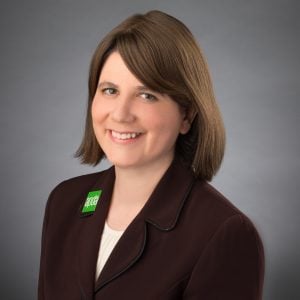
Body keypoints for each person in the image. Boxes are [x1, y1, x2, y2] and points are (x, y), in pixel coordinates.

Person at [38, 10, 264, 300]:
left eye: (147, 95)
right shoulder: (64, 202)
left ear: (187, 115)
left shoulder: (224, 233)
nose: (120, 114)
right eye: (109, 90)